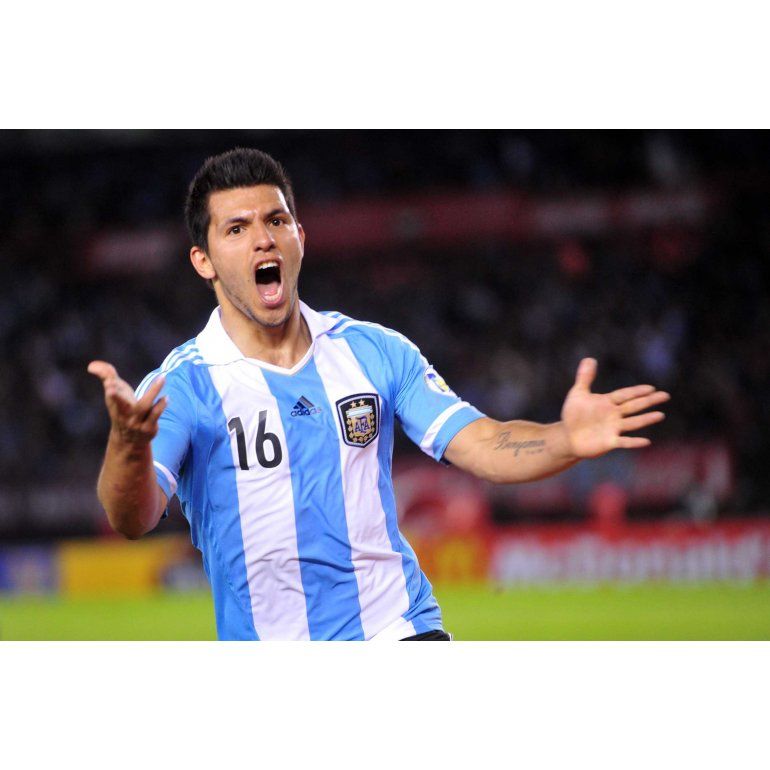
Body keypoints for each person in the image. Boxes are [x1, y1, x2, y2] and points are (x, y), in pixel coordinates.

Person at [88, 148, 670, 641]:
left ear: (299, 238)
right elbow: (132, 518)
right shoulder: (182, 385)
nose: (263, 239)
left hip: (398, 631)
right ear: (204, 261)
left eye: (276, 220)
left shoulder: (374, 351)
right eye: (236, 229)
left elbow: (483, 443)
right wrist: (128, 447)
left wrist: (566, 439)